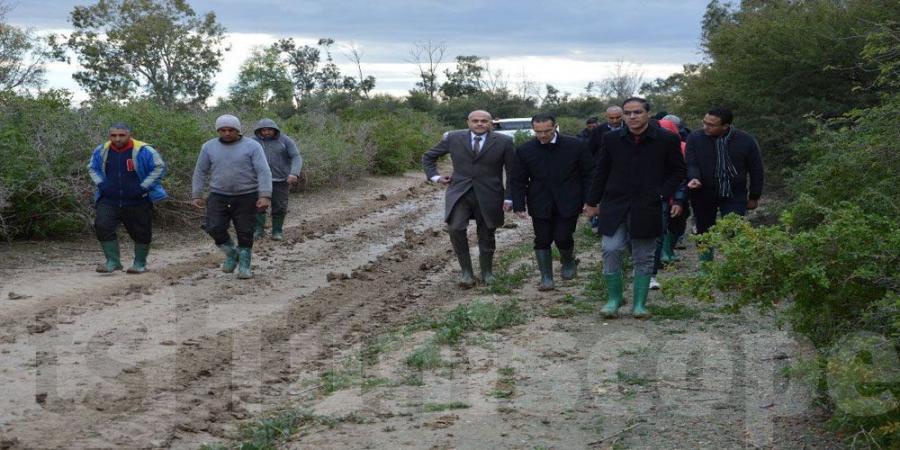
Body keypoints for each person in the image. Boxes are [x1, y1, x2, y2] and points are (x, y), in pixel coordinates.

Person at [583, 98, 686, 319]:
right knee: (611, 248)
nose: (632, 117)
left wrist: (662, 193)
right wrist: (592, 202)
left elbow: (678, 171)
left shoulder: (666, 139)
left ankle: (639, 304)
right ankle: (614, 299)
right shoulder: (611, 139)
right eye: (627, 113)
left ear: (648, 114)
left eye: (637, 112)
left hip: (647, 205)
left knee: (644, 255)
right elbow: (600, 171)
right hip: (615, 203)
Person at [422, 110, 518, 288]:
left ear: (491, 123)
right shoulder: (453, 138)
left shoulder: (504, 141)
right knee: (455, 228)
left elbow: (512, 172)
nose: (479, 124)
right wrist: (435, 177)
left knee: (487, 232)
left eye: (484, 121)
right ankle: (466, 273)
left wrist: (509, 197)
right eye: (475, 121)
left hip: (490, 193)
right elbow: (428, 156)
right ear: (468, 122)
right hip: (460, 192)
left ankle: (487, 273)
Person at [510, 113, 594, 291]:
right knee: (542, 238)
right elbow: (517, 179)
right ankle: (546, 277)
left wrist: (590, 200)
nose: (542, 135)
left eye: (547, 131)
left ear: (556, 126)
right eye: (538, 131)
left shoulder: (576, 145)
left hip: (569, 198)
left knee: (563, 236)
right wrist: (518, 204)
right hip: (540, 200)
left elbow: (588, 174)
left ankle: (568, 261)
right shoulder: (525, 149)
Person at [192, 115, 272, 279]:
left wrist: (265, 194)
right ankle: (232, 254)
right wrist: (196, 194)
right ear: (218, 131)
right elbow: (200, 171)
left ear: (238, 130)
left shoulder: (252, 146)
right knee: (214, 227)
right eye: (222, 130)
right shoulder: (208, 147)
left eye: (231, 130)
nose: (227, 133)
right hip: (218, 195)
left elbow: (263, 171)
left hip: (246, 195)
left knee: (245, 230)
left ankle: (244, 265)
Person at [685, 107, 764, 264]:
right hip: (704, 191)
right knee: (703, 230)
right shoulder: (695, 138)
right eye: (704, 122)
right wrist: (694, 178)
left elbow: (756, 169)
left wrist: (754, 196)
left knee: (734, 229)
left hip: (734, 192)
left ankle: (736, 264)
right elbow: (691, 163)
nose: (705, 127)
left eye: (711, 125)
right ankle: (706, 266)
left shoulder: (745, 140)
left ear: (725, 126)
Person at [88, 123, 167, 274]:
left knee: (141, 232)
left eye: (121, 135)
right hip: (109, 198)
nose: (117, 139)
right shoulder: (101, 150)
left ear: (129, 134)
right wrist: (101, 184)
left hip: (138, 199)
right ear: (109, 136)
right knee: (102, 226)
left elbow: (159, 168)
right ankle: (113, 261)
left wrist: (143, 187)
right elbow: (92, 167)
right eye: (113, 135)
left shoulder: (144, 150)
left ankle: (139, 263)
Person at [650, 118, 689, 289]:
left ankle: (665, 254)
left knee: (670, 226)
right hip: (651, 197)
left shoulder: (681, 147)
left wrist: (679, 198)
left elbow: (682, 173)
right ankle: (651, 260)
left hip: (670, 196)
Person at [251, 119, 302, 241]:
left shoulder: (285, 141)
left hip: (281, 179)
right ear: (259, 131)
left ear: (275, 130)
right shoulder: (252, 142)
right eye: (264, 130)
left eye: (269, 129)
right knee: (259, 205)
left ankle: (277, 231)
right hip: (259, 180)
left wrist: (294, 173)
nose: (267, 132)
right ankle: (258, 230)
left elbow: (296, 157)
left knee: (279, 206)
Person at [586, 106, 625, 234]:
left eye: (617, 117)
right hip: (604, 169)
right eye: (611, 118)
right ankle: (600, 222)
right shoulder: (598, 131)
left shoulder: (629, 128)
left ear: (623, 115)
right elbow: (590, 150)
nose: (614, 121)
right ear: (606, 117)